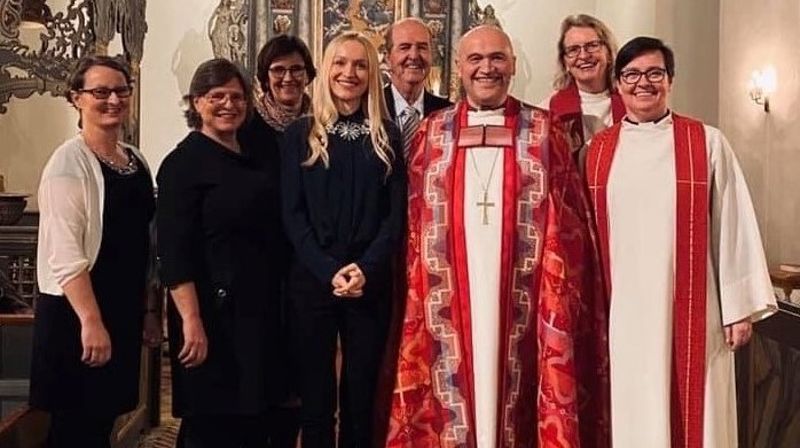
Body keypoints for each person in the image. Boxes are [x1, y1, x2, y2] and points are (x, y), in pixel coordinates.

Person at [385, 25, 608, 447]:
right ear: (458, 69)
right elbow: (411, 230)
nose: (487, 68)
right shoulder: (432, 134)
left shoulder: (544, 132)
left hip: (524, 301)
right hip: (447, 301)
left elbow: (572, 228)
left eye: (497, 58)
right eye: (475, 59)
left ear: (513, 65)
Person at [585, 36, 778, 447]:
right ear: (618, 84)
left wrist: (738, 308)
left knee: (696, 414)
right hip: (621, 315)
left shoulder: (705, 142)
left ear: (670, 80)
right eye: (632, 74)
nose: (644, 83)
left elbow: (733, 222)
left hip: (694, 312)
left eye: (655, 73)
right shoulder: (598, 151)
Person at [280, 31, 405, 448]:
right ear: (326, 69)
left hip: (368, 284)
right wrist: (328, 269)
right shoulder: (299, 134)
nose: (349, 73)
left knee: (362, 397)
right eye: (340, 63)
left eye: (360, 64)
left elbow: (396, 215)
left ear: (372, 73)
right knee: (315, 400)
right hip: (313, 281)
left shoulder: (388, 134)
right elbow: (292, 215)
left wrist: (365, 269)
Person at [156, 58, 288, 447]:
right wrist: (191, 321)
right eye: (217, 96)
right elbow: (174, 251)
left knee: (252, 417)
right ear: (196, 102)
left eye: (237, 96)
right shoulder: (182, 164)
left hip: (257, 310)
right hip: (210, 313)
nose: (228, 104)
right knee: (211, 421)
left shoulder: (255, 154)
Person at [31, 55, 160, 448]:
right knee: (73, 429)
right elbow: (65, 252)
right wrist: (90, 320)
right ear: (77, 98)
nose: (113, 99)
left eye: (122, 90)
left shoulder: (135, 160)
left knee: (102, 421)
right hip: (78, 314)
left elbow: (147, 244)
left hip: (121, 309)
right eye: (100, 91)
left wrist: (151, 311)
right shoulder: (67, 163)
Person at [237, 33, 317, 448]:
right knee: (260, 367)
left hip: (306, 265)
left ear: (309, 75)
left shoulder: (321, 124)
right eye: (278, 70)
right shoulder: (247, 128)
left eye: (296, 70)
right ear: (265, 77)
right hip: (258, 263)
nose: (288, 78)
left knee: (301, 368)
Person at [539, 14, 625, 171]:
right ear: (564, 61)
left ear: (608, 53)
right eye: (573, 50)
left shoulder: (631, 103)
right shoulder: (547, 111)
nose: (584, 56)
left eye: (592, 45)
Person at [383, 18, 451, 160]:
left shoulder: (448, 114)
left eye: (422, 47)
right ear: (388, 58)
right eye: (405, 47)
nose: (414, 56)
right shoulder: (369, 109)